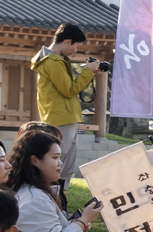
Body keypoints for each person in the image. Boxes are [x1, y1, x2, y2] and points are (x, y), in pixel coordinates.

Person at [29, 25, 102, 187]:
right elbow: (69, 90)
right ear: (68, 41)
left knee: (62, 163)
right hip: (61, 118)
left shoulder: (50, 59)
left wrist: (88, 72)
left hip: (60, 116)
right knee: (60, 164)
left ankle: (60, 198)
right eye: (77, 46)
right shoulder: (53, 61)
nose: (76, 51)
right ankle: (56, 197)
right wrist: (88, 72)